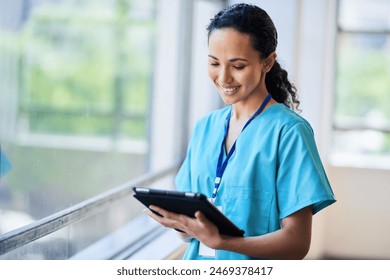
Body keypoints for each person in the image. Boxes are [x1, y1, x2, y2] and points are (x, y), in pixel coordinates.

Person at [145, 3, 336, 260]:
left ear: (267, 62)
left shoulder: (289, 132)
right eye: (214, 63)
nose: (223, 78)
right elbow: (190, 235)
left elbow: (297, 243)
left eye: (237, 66)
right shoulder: (205, 128)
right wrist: (178, 221)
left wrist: (225, 241)